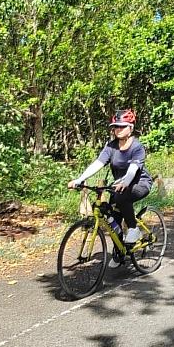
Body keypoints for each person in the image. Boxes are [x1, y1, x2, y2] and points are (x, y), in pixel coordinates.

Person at [68, 109, 153, 267]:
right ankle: (120, 251)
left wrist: (125, 182)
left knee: (121, 198)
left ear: (131, 128)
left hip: (139, 183)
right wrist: (79, 179)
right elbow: (98, 164)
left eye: (122, 126)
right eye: (116, 127)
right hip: (119, 186)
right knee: (112, 216)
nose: (118, 129)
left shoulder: (137, 147)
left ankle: (134, 229)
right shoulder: (111, 146)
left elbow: (133, 169)